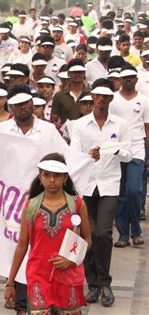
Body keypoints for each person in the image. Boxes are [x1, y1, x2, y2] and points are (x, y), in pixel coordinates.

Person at [0, 84, 70, 314]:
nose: (23, 107)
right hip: (10, 201)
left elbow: (65, 158)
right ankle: (19, 299)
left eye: (26, 103)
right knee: (15, 248)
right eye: (18, 104)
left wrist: (86, 159)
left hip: (41, 199)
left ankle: (37, 298)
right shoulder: (1, 129)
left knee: (36, 249)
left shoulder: (48, 130)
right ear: (10, 106)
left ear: (33, 105)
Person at [71, 79, 132, 307]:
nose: (101, 100)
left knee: (104, 234)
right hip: (86, 184)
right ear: (92, 97)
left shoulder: (120, 124)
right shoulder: (80, 124)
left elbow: (129, 153)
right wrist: (89, 155)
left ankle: (104, 281)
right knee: (88, 234)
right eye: (97, 96)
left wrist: (116, 151)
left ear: (110, 99)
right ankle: (92, 283)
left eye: (106, 96)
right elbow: (73, 153)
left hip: (108, 183)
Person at [4, 153, 91, 315]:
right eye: (47, 175)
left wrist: (70, 259)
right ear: (40, 177)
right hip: (38, 274)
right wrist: (10, 283)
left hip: (68, 275)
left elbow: (87, 239)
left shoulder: (78, 205)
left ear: (65, 178)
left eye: (57, 176)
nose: (52, 180)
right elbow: (22, 246)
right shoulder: (30, 207)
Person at [109, 65, 149, 248]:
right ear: (120, 80)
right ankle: (124, 234)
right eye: (125, 78)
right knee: (121, 195)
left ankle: (136, 230)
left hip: (137, 149)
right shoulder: (113, 100)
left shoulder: (144, 100)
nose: (129, 80)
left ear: (136, 79)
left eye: (132, 77)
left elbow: (147, 128)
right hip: (117, 150)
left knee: (134, 191)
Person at [51, 59, 91, 123]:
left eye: (80, 72)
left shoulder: (92, 94)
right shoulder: (59, 96)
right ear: (68, 74)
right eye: (74, 72)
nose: (77, 74)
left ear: (84, 73)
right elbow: (53, 121)